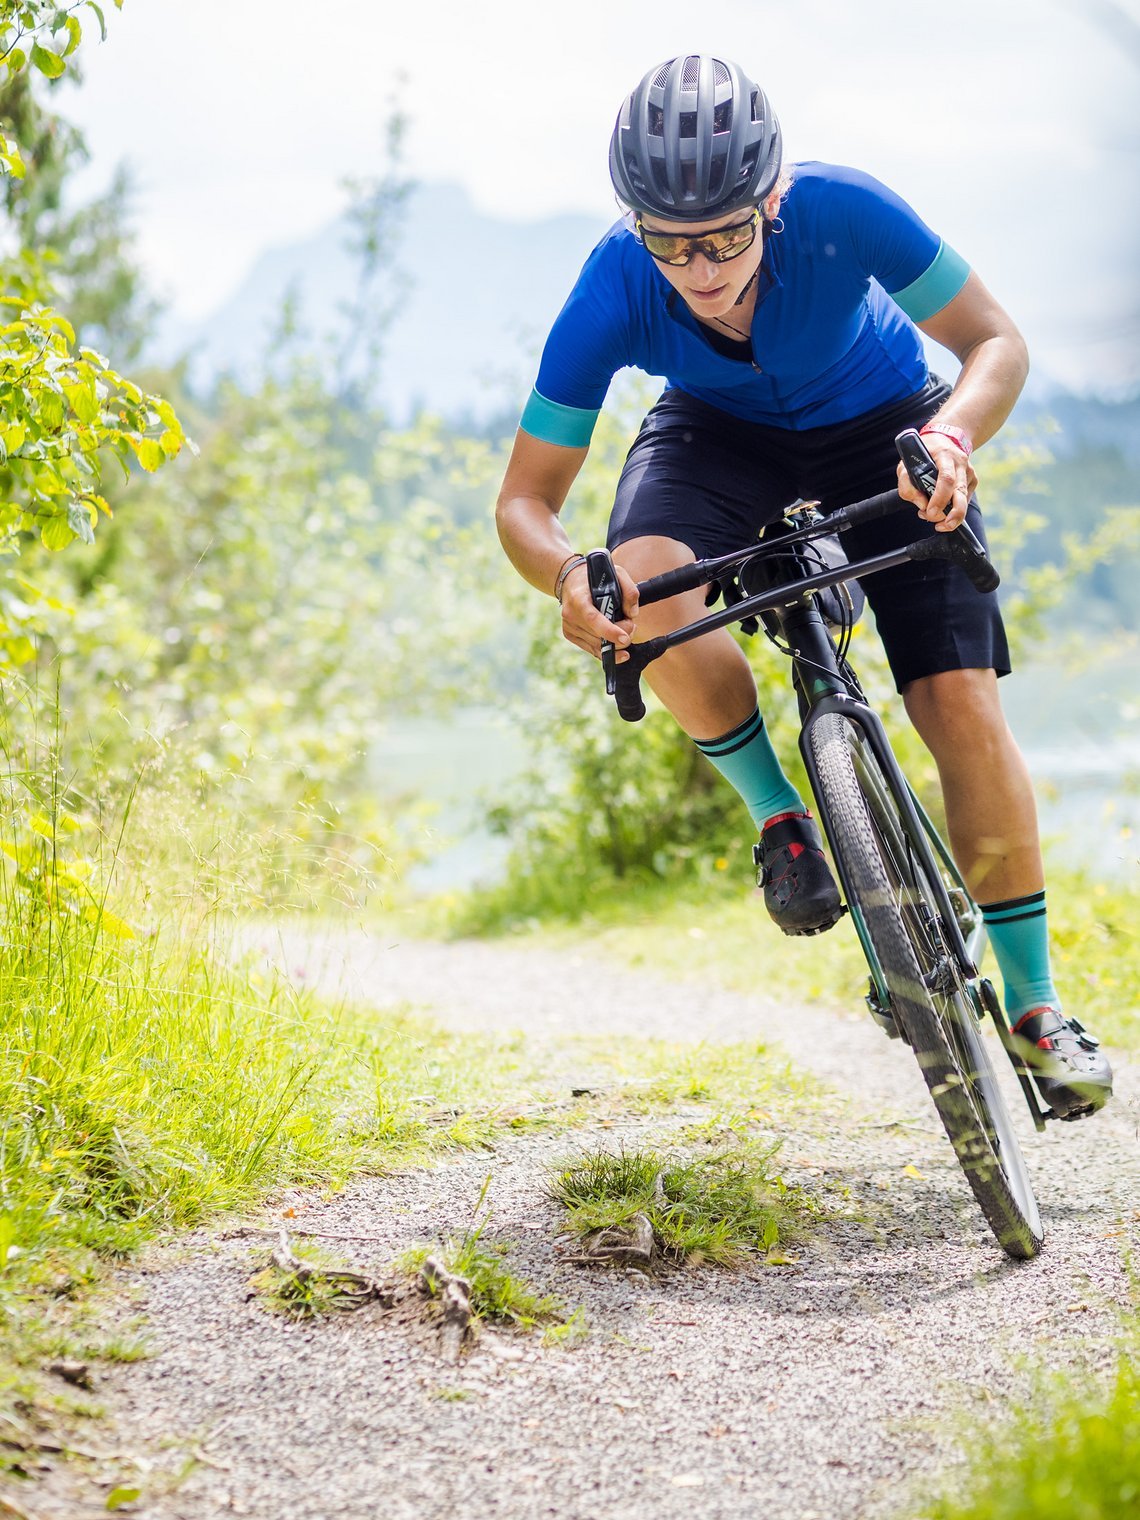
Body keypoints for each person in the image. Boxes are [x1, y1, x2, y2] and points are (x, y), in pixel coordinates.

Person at [494, 54, 1112, 1119]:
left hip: (884, 423)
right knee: (639, 588)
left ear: (773, 200)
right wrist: (568, 573)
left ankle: (1036, 1007)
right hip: (716, 438)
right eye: (670, 241)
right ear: (634, 222)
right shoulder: (612, 282)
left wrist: (952, 438)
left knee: (957, 702)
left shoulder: (845, 209)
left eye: (727, 234)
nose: (698, 268)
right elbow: (524, 502)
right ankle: (783, 816)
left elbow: (995, 341)